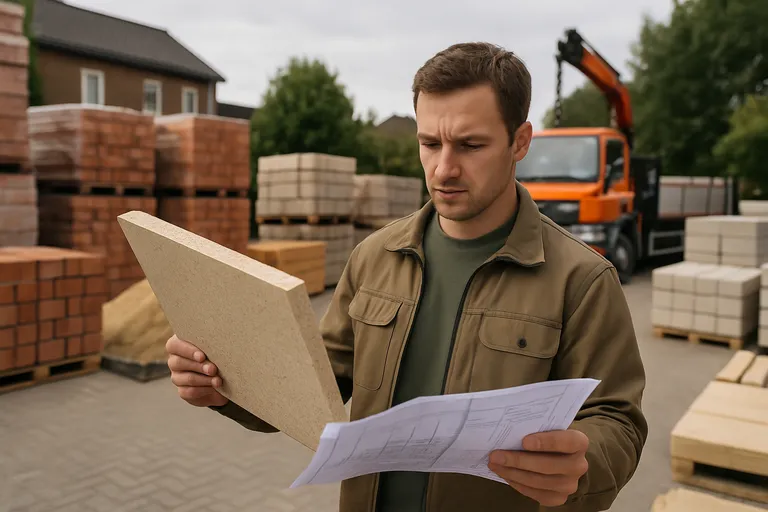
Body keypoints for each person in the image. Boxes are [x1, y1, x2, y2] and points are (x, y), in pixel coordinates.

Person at [166, 41, 648, 512]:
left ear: (520, 141)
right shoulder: (373, 259)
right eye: (429, 143)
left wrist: (584, 463)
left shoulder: (581, 280)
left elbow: (617, 420)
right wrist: (223, 386)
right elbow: (314, 387)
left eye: (470, 145)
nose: (443, 168)